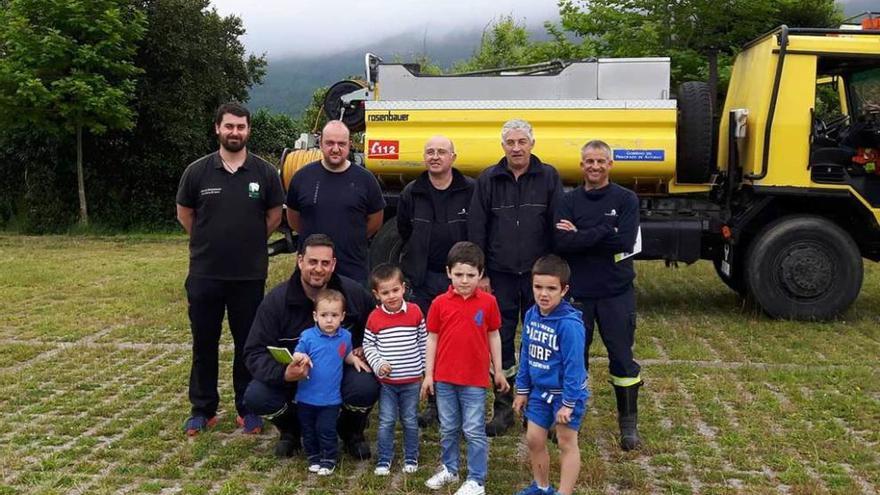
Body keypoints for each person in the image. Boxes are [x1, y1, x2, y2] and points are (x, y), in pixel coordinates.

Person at [175, 102, 284, 436]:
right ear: (217, 129)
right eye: (229, 126)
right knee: (203, 343)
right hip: (205, 274)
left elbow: (274, 216)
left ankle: (247, 408)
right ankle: (202, 409)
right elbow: (185, 214)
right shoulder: (197, 171)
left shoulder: (264, 173)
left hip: (249, 275)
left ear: (248, 130)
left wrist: (247, 241)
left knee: (247, 345)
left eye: (241, 127)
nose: (235, 132)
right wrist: (210, 241)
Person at [242, 234, 380, 460]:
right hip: (294, 380)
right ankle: (292, 431)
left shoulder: (353, 294)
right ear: (300, 261)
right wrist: (283, 373)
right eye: (312, 262)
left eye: (325, 263)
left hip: (337, 375)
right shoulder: (276, 301)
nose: (318, 269)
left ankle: (351, 432)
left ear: (333, 264)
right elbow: (253, 352)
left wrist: (367, 346)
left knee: (365, 386)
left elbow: (379, 327)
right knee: (257, 396)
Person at [467, 119, 563, 436]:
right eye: (511, 142)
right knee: (502, 341)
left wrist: (551, 273)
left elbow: (556, 225)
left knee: (541, 343)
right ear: (503, 146)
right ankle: (504, 409)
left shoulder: (548, 177)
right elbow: (477, 228)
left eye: (522, 141)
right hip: (500, 275)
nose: (517, 147)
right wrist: (481, 273)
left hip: (538, 278)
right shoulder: (488, 179)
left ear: (532, 144)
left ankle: (539, 411)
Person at [554, 139, 642, 451]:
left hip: (616, 293)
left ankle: (628, 425)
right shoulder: (569, 200)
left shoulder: (627, 199)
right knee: (575, 360)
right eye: (589, 161)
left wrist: (580, 235)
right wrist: (605, 231)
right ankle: (571, 420)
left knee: (621, 357)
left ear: (610, 165)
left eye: (600, 161)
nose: (594, 166)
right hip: (578, 293)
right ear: (581, 165)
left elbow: (624, 242)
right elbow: (561, 244)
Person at [396, 134, 474, 427]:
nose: (435, 156)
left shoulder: (470, 190)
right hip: (424, 278)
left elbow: (478, 229)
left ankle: (464, 405)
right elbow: (405, 230)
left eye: (442, 152)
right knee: (431, 341)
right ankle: (434, 404)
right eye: (430, 152)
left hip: (460, 281)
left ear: (453, 157)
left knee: (462, 343)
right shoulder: (411, 192)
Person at [420, 241, 509, 495]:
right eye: (459, 274)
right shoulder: (439, 303)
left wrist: (499, 370)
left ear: (481, 274)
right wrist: (429, 375)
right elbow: (432, 338)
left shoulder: (489, 303)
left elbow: (494, 335)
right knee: (448, 426)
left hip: (475, 380)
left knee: (473, 429)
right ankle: (450, 469)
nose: (464, 280)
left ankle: (476, 479)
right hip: (445, 379)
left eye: (471, 275)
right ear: (449, 272)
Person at [513, 255, 588, 495]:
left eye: (551, 288)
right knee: (534, 439)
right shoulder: (531, 315)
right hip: (539, 392)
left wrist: (568, 403)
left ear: (564, 290)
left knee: (566, 442)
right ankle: (542, 486)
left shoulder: (569, 325)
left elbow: (575, 368)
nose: (543, 294)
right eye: (538, 287)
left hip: (565, 395)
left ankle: (564, 492)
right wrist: (522, 390)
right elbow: (525, 354)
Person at [285, 120, 386, 285]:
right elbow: (294, 219)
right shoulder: (302, 178)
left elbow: (375, 222)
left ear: (349, 144)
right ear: (320, 143)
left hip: (352, 270)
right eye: (330, 143)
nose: (336, 149)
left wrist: (352, 237)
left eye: (341, 144)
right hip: (312, 273)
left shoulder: (366, 180)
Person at [292, 289, 371, 475]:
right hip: (306, 397)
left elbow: (346, 354)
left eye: (334, 315)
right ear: (315, 316)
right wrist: (300, 357)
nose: (329, 320)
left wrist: (355, 360)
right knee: (308, 430)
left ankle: (329, 458)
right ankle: (313, 456)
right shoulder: (307, 336)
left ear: (342, 316)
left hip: (330, 399)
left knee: (326, 429)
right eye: (324, 315)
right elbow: (296, 352)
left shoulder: (345, 337)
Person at [362, 263, 426, 475]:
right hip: (387, 383)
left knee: (409, 420)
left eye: (395, 290)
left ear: (403, 288)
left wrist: (427, 371)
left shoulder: (415, 312)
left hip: (412, 381)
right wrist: (379, 364)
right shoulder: (374, 318)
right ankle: (384, 458)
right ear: (376, 294)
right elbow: (368, 346)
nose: (391, 296)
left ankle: (411, 456)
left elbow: (423, 342)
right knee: (386, 421)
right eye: (385, 292)